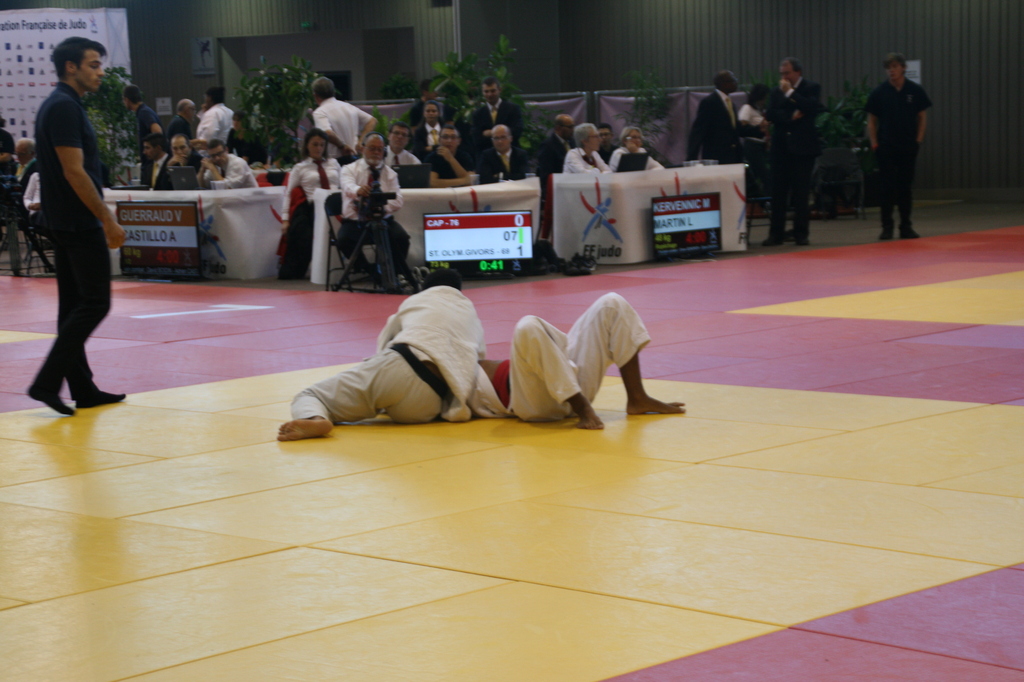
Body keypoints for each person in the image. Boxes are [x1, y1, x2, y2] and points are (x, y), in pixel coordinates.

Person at [28, 36, 126, 416]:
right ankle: (46, 382)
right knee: (95, 303)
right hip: (77, 220)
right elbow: (74, 171)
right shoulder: (65, 107)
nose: (101, 73)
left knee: (72, 307)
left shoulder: (58, 104)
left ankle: (82, 388)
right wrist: (107, 219)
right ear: (71, 67)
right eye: (93, 65)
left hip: (63, 219)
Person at [278, 269, 484, 441]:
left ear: (426, 287)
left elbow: (385, 339)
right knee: (387, 399)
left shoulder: (418, 299)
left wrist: (377, 377)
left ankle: (315, 419)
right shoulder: (470, 313)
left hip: (402, 366)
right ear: (459, 290)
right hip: (429, 403)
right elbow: (478, 362)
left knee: (311, 396)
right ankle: (384, 401)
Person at [469, 293, 685, 430]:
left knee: (611, 303)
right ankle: (582, 408)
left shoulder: (469, 352)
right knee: (527, 325)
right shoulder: (457, 371)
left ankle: (637, 398)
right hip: (536, 404)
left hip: (570, 384)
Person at [866, 52, 931, 240]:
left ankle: (906, 226)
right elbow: (871, 121)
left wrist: (918, 141)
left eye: (894, 67)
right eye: (888, 68)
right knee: (886, 188)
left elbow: (922, 117)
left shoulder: (915, 90)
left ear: (903, 68)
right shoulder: (879, 92)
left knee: (905, 187)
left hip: (908, 146)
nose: (891, 71)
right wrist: (875, 144)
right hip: (885, 146)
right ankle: (887, 227)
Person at [338, 131, 416, 285]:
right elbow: (347, 186)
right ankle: (370, 271)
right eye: (372, 148)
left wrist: (380, 207)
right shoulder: (349, 169)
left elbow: (398, 199)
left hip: (382, 219)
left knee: (401, 239)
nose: (376, 152)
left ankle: (394, 274)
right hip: (356, 221)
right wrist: (358, 191)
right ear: (363, 149)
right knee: (344, 240)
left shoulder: (390, 174)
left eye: (379, 149)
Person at [763, 58, 823, 246]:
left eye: (787, 73)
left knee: (801, 193)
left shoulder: (811, 87)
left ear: (798, 72)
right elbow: (771, 114)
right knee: (778, 193)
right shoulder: (775, 91)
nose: (784, 77)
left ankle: (801, 233)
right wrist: (791, 116)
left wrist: (790, 93)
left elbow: (811, 108)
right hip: (781, 149)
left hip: (803, 149)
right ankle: (776, 234)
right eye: (782, 74)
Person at [278, 128, 342, 280]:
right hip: (315, 206)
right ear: (307, 145)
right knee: (301, 228)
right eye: (315, 144)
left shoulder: (334, 163)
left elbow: (343, 185)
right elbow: (288, 193)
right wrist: (285, 219)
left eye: (322, 145)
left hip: (337, 203)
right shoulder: (300, 168)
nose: (319, 148)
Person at [687, 71, 764, 165]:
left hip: (734, 156)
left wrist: (759, 129)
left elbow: (737, 129)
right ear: (724, 84)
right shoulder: (709, 102)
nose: (736, 83)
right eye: (733, 80)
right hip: (717, 157)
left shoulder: (730, 103)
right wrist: (691, 158)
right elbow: (698, 131)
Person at [311, 77, 376, 165]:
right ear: (334, 92)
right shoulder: (349, 107)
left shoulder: (320, 112)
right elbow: (372, 121)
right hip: (355, 158)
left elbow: (327, 133)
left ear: (315, 95)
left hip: (335, 162)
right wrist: (361, 142)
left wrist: (342, 146)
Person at [471, 77, 523, 155]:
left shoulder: (513, 109)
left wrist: (491, 133)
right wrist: (504, 134)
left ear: (500, 90)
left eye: (493, 91)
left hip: (511, 154)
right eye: (486, 91)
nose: (489, 94)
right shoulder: (478, 114)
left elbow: (517, 131)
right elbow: (476, 139)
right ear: (482, 92)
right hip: (487, 156)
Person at [739, 84, 771, 197]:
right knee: (764, 174)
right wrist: (759, 128)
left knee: (762, 174)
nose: (764, 101)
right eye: (763, 98)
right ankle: (766, 199)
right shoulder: (747, 108)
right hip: (752, 145)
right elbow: (742, 128)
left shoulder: (760, 111)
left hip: (761, 145)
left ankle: (762, 198)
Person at [122, 84, 163, 163]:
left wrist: (153, 154)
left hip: (151, 163)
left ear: (127, 100)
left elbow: (157, 131)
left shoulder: (144, 112)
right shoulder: (144, 111)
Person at [193, 86, 233, 152]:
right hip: (225, 150)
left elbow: (209, 137)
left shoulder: (212, 113)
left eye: (205, 97)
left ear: (210, 98)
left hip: (211, 153)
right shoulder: (230, 112)